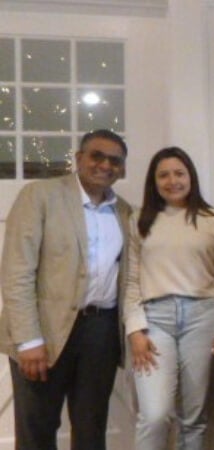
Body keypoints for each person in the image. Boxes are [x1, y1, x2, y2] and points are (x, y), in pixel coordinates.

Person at [0, 129, 132, 449]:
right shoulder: (40, 195)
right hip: (45, 330)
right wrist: (29, 340)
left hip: (101, 331)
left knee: (91, 427)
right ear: (79, 158)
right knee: (37, 427)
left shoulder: (125, 211)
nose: (105, 165)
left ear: (122, 168)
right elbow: (17, 272)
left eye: (114, 160)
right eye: (96, 156)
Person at [123, 147, 214, 449]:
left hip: (203, 317)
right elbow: (131, 280)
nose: (172, 181)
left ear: (190, 177)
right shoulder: (139, 220)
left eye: (179, 173)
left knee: (193, 415)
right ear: (154, 181)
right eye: (163, 175)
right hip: (154, 320)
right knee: (154, 414)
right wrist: (134, 329)